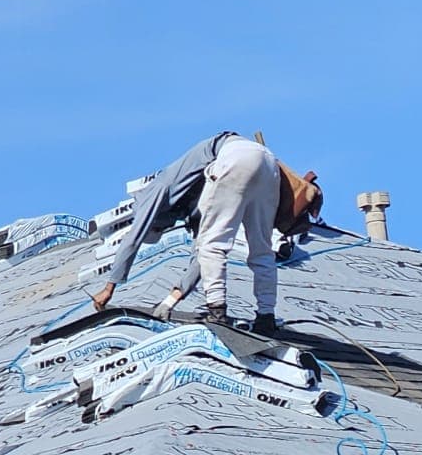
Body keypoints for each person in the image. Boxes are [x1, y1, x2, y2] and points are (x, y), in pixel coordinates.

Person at [90, 134, 321, 334]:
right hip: (267, 162)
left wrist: (109, 287)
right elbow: (198, 261)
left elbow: (133, 239)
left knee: (213, 246)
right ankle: (266, 317)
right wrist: (170, 301)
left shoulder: (155, 192)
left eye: (158, 228)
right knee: (261, 249)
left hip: (233, 156)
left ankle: (217, 313)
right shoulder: (192, 203)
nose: (165, 228)